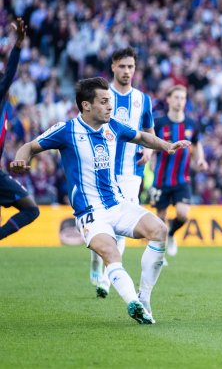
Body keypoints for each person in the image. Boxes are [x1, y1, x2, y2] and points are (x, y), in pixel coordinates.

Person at [10, 77, 190, 324]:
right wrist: (21, 160)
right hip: (90, 212)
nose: (110, 107)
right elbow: (30, 146)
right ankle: (133, 305)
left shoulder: (113, 126)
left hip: (117, 204)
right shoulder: (67, 130)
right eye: (104, 102)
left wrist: (167, 146)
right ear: (86, 105)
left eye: (111, 102)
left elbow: (142, 137)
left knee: (160, 230)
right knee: (111, 252)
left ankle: (144, 298)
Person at [90, 47, 155, 298]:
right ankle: (98, 261)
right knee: (101, 224)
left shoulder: (143, 99)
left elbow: (148, 129)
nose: (127, 71)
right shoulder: (102, 96)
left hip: (131, 172)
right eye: (122, 66)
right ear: (113, 67)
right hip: (102, 170)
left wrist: (149, 151)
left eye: (131, 67)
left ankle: (107, 277)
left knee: (122, 226)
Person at [151, 85, 207, 256]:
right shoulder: (159, 123)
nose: (179, 101)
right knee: (160, 218)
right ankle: (159, 254)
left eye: (182, 98)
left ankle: (171, 233)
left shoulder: (191, 124)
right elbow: (151, 144)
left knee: (183, 214)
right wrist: (151, 160)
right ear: (168, 99)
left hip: (182, 179)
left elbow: (196, 144)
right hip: (161, 178)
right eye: (176, 97)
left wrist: (200, 159)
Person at [0, 18, 40, 241]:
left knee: (31, 210)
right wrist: (17, 47)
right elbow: (9, 76)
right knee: (31, 209)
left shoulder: (7, 108)